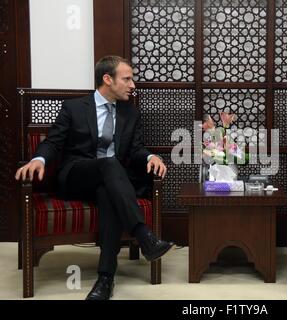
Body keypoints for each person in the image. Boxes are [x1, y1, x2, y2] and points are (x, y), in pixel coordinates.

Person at [15, 55, 175, 300]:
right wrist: (38, 159)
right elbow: (54, 143)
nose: (133, 85)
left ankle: (105, 279)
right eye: (127, 79)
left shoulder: (129, 113)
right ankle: (144, 235)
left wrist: (151, 156)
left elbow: (136, 149)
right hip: (77, 177)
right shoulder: (75, 108)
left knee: (107, 192)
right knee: (109, 164)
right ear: (107, 79)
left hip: (110, 182)